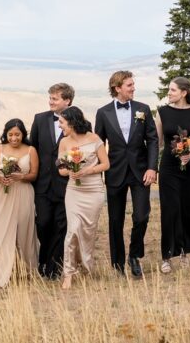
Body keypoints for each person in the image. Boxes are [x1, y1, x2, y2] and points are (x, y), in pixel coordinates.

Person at [94, 71, 159, 278]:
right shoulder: (103, 113)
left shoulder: (143, 109)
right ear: (117, 88)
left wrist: (152, 168)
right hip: (115, 171)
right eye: (129, 85)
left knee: (141, 216)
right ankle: (117, 263)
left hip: (141, 171)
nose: (133, 88)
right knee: (115, 220)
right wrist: (98, 173)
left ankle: (134, 255)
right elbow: (98, 145)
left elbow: (153, 140)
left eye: (133, 84)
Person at [155, 77, 190, 275]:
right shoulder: (162, 112)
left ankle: (184, 252)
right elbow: (158, 143)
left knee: (189, 209)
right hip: (169, 168)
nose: (169, 93)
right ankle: (167, 256)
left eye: (172, 90)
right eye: (169, 89)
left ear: (183, 92)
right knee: (170, 210)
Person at [0, 119, 38, 288]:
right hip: (0, 194)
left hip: (23, 193)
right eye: (10, 134)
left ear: (23, 134)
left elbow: (34, 174)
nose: (14, 138)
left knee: (22, 229)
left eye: (17, 134)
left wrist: (22, 176)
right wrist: (0, 179)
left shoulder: (31, 150)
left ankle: (22, 269)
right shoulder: (0, 148)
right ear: (6, 134)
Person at [57, 106, 108, 288]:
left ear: (71, 122)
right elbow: (61, 169)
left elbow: (105, 164)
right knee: (73, 230)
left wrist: (87, 171)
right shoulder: (64, 142)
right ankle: (68, 273)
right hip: (74, 191)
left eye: (62, 122)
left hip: (94, 190)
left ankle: (86, 267)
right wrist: (70, 170)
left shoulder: (94, 138)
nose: (59, 125)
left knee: (87, 232)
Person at [28, 82, 74, 279]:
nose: (51, 102)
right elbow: (33, 148)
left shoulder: (78, 122)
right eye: (50, 98)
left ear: (67, 100)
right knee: (43, 223)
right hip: (43, 184)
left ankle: (54, 268)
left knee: (61, 226)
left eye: (55, 99)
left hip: (66, 185)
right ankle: (43, 260)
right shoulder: (40, 119)